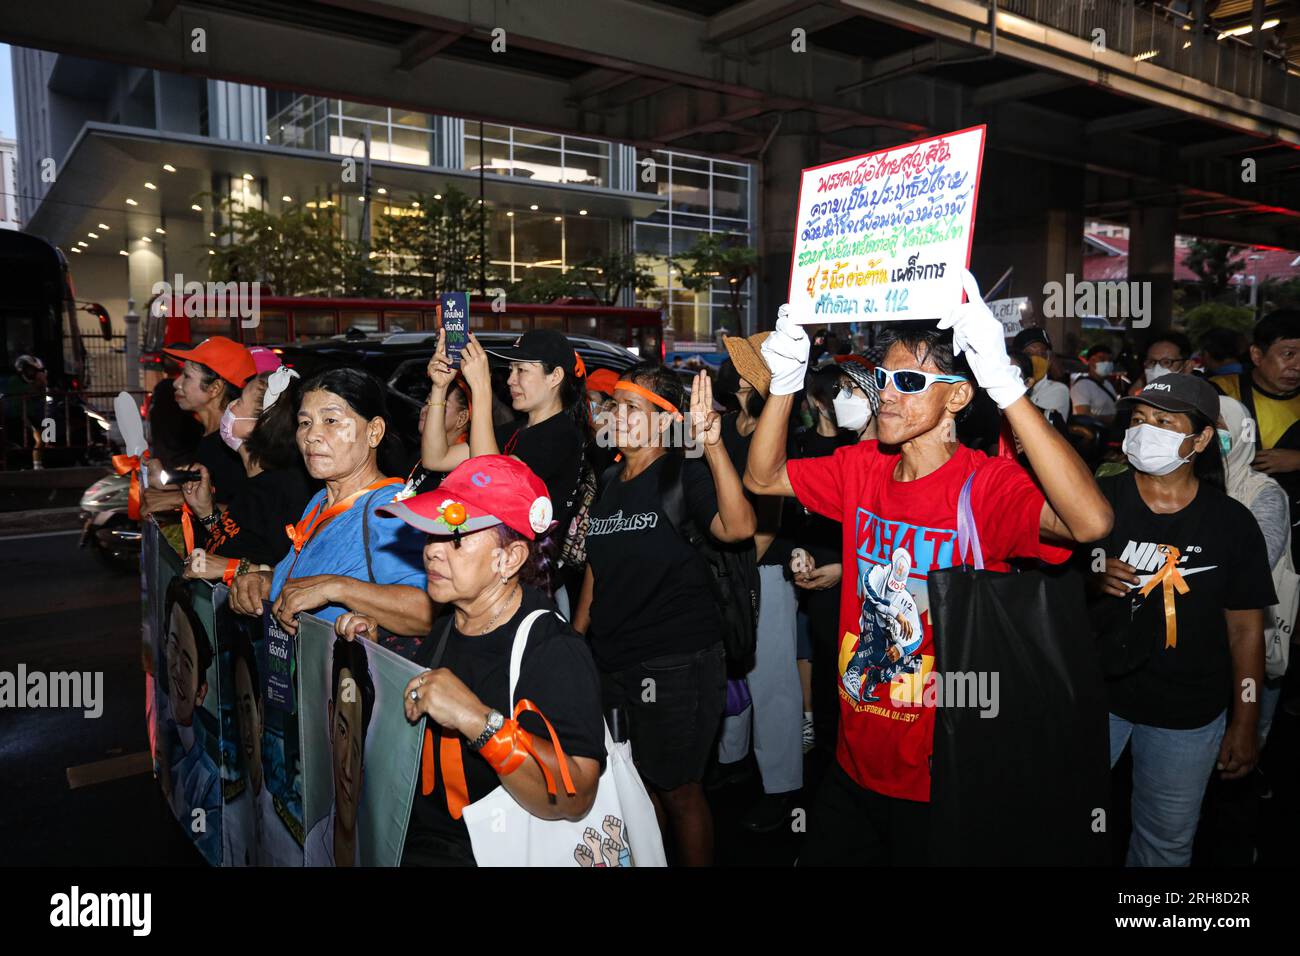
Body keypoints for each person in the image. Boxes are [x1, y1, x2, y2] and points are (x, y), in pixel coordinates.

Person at [745, 272, 1113, 866]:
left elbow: (1091, 523)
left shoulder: (984, 486)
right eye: (883, 379)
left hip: (945, 771)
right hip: (852, 758)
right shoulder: (862, 466)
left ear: (958, 398)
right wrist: (783, 385)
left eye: (910, 382)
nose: (887, 394)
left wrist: (1006, 386)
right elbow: (762, 479)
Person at [338, 455, 605, 867]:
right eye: (432, 536)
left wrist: (480, 722)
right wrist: (376, 661)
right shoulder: (450, 622)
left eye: (456, 539)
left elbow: (577, 795)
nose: (432, 553)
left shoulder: (552, 649)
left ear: (510, 559)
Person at [573, 363, 756, 865]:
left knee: (679, 790)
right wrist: (576, 638)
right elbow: (597, 566)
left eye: (631, 407)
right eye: (614, 405)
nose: (615, 414)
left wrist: (712, 445)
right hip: (613, 660)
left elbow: (739, 528)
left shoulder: (684, 474)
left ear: (665, 421)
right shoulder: (609, 479)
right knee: (634, 786)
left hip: (676, 664)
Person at [1089, 375, 1271, 866]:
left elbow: (1246, 628)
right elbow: (1050, 584)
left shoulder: (1231, 523)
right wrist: (1089, 576)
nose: (1147, 430)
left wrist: (1247, 718)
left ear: (1202, 438)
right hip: (1096, 699)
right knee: (1064, 817)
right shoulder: (1094, 500)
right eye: (1140, 420)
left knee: (1165, 841)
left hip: (1188, 712)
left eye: (1164, 422)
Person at [227, 367, 433, 640]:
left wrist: (338, 588)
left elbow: (425, 612)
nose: (312, 435)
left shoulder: (391, 509)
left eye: (331, 421)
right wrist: (266, 582)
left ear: (374, 432)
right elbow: (309, 579)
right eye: (305, 423)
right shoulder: (320, 501)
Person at [422, 328, 589, 603]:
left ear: (555, 377)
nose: (511, 380)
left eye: (522, 370)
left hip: (530, 584)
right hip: (497, 576)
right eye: (510, 369)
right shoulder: (515, 430)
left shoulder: (562, 435)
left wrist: (481, 390)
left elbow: (491, 483)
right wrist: (439, 387)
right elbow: (435, 458)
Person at [716, 334, 803, 832]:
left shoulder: (776, 430)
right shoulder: (728, 424)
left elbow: (771, 512)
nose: (736, 374)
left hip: (763, 570)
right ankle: (733, 761)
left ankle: (783, 786)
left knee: (771, 683)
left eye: (745, 369)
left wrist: (740, 569)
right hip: (727, 565)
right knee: (732, 670)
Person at [180, 367, 316, 578]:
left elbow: (298, 576)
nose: (231, 406)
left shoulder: (284, 491)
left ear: (262, 423)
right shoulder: (253, 480)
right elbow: (241, 542)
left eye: (240, 402)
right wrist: (206, 511)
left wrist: (236, 569)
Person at [1218, 395, 1292, 756]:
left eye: (1220, 430)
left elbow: (1255, 566)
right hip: (1202, 649)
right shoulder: (1188, 485)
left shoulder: (1263, 493)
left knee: (1251, 726)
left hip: (1252, 636)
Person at [147, 337, 256, 513]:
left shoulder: (235, 446)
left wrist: (179, 501)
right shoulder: (207, 435)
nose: (176, 383)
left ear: (215, 388)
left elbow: (252, 517)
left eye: (187, 376)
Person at [223, 626, 303, 866]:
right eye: (239, 708)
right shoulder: (229, 810)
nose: (246, 727)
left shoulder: (288, 825)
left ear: (261, 713)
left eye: (249, 709)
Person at [158, 576, 222, 862]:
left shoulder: (207, 780)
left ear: (201, 691)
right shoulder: (159, 715)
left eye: (188, 663)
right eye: (173, 647)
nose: (177, 671)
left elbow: (207, 844)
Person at [304, 636, 374, 867]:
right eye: (342, 731)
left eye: (355, 746)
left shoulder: (379, 852)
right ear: (330, 717)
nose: (346, 767)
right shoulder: (312, 844)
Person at [398, 376, 471, 502]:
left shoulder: (467, 467)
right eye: (427, 403)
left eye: (440, 404)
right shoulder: (416, 457)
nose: (427, 410)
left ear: (462, 418)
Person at [1011, 327, 1071, 424]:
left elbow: (1031, 425)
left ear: (1049, 359)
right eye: (1029, 354)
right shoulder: (1007, 386)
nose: (1037, 359)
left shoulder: (1058, 390)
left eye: (1042, 354)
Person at [1071, 344, 1119, 422]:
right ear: (1091, 361)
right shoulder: (1082, 386)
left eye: (1110, 360)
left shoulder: (1108, 384)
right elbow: (1083, 416)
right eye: (1102, 359)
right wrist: (1110, 419)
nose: (1107, 363)